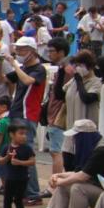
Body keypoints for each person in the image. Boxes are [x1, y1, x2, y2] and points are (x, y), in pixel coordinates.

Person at [33, 122, 104, 208]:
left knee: (77, 187)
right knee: (65, 185)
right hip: (97, 186)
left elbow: (83, 176)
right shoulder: (91, 146)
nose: (74, 140)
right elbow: (80, 172)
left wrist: (59, 181)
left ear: (84, 136)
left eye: (76, 136)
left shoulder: (102, 150)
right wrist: (58, 176)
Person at [3, 36, 47, 203]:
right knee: (16, 152)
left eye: (22, 50)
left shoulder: (38, 69)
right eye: (18, 49)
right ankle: (23, 192)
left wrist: (14, 64)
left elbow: (28, 81)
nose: (19, 52)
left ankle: (33, 193)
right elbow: (4, 79)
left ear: (32, 51)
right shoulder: (23, 68)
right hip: (16, 113)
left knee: (27, 154)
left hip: (28, 115)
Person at [0, 122, 35, 208]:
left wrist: (20, 162)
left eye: (25, 134)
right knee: (7, 199)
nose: (24, 136)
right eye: (21, 134)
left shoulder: (26, 148)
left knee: (18, 200)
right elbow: (0, 161)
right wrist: (7, 157)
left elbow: (32, 162)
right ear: (12, 135)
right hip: (9, 178)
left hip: (22, 178)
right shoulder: (6, 147)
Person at [42, 37, 70, 175]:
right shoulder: (64, 67)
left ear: (61, 52)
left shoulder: (66, 68)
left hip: (58, 115)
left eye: (52, 51)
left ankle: (55, 185)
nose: (49, 54)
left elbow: (62, 94)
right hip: (56, 114)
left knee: (56, 152)